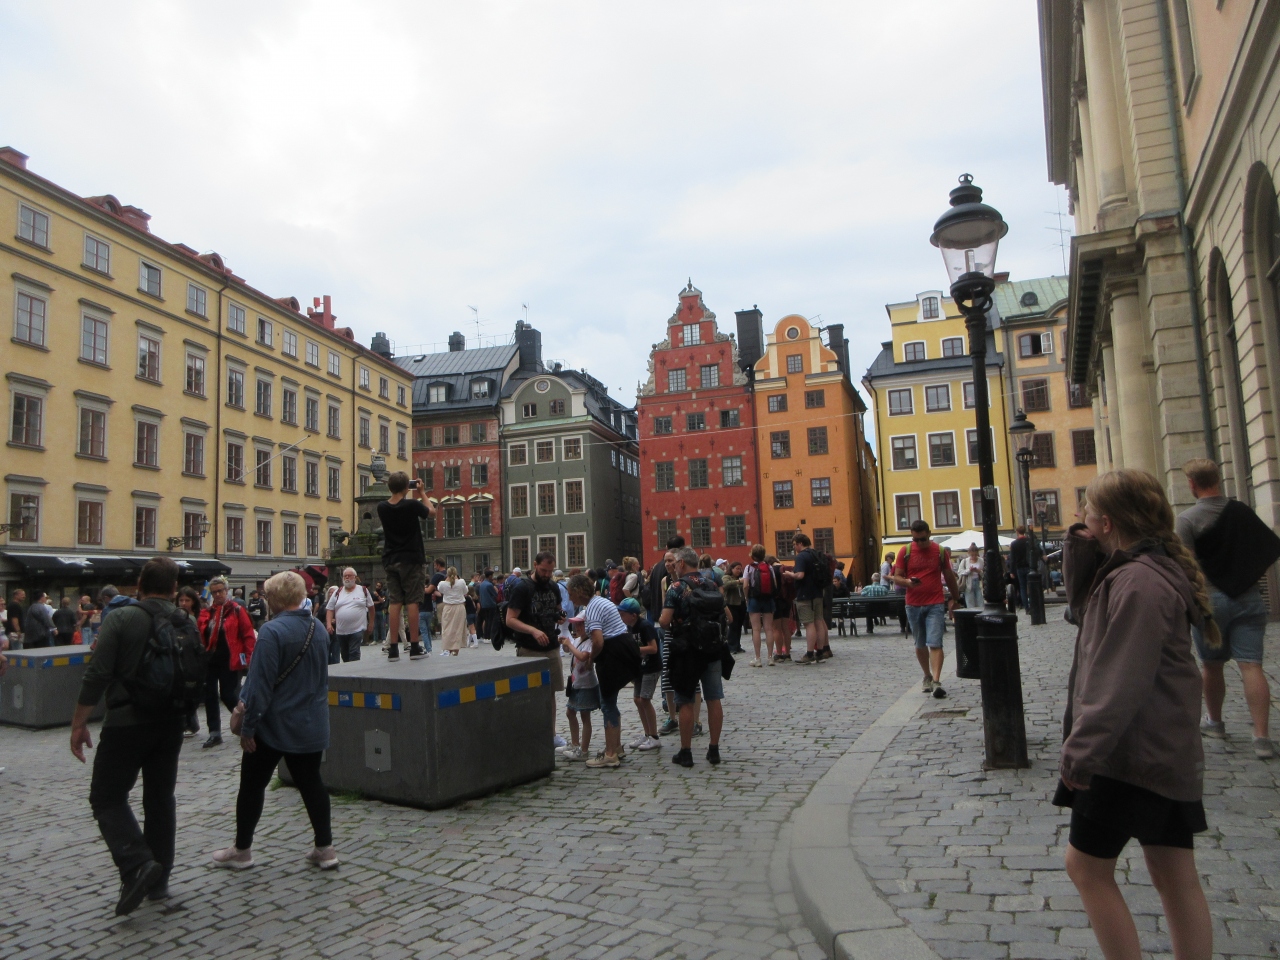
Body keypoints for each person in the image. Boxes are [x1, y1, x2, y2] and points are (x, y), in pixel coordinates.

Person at [1057, 469, 1214, 960]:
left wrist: (1082, 751)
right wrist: (1082, 543)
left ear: (1107, 522)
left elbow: (1120, 678)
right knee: (1173, 874)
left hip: (1129, 754)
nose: (1081, 515)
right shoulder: (1137, 571)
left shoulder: (1138, 582)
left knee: (1086, 868)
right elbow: (1080, 606)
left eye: (1087, 509)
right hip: (1158, 748)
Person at [70, 556, 192, 915]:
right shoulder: (184, 620)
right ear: (174, 588)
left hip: (126, 721)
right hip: (171, 721)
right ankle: (159, 881)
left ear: (139, 585)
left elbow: (97, 674)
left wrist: (78, 723)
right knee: (160, 798)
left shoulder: (122, 617)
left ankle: (137, 862)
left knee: (106, 797)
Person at [212, 570, 337, 871]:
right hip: (310, 722)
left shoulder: (271, 631)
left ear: (274, 598)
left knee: (252, 786)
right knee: (312, 784)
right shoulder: (318, 628)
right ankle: (325, 848)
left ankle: (242, 850)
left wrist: (248, 728)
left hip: (273, 725)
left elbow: (259, 684)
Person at [1176, 458, 1280, 759]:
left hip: (1211, 602)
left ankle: (1216, 723)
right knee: (1252, 665)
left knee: (1211, 665)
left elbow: (1188, 566)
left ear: (1192, 484)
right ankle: (1262, 737)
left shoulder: (1187, 520)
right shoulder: (1242, 511)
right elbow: (1267, 547)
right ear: (1218, 479)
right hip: (1248, 597)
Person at [659, 546, 727, 768]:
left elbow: (664, 621)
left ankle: (686, 752)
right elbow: (727, 616)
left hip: (686, 650)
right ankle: (714, 750)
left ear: (681, 563)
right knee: (714, 698)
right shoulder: (711, 584)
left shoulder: (677, 587)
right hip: (711, 648)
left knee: (686, 700)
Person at [566, 573, 640, 768]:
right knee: (611, 702)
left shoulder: (592, 609)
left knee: (607, 703)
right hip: (623, 648)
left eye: (571, 593)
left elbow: (598, 641)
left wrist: (591, 659)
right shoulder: (600, 601)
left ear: (579, 592)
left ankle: (610, 754)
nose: (570, 598)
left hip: (613, 653)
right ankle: (616, 747)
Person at [890, 520, 961, 699]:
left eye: (922, 539)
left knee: (935, 642)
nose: (919, 543)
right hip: (913, 604)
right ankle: (927, 676)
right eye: (916, 540)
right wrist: (907, 582)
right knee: (920, 643)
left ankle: (936, 681)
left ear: (929, 534)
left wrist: (955, 599)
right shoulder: (905, 551)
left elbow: (949, 576)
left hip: (935, 602)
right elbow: (897, 577)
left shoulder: (940, 551)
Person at [505, 552, 568, 746]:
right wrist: (532, 630)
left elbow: (558, 608)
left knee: (550, 693)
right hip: (529, 648)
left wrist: (560, 616)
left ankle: (551, 733)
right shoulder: (522, 588)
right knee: (530, 694)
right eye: (543, 570)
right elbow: (510, 619)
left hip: (551, 646)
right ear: (535, 565)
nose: (547, 574)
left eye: (550, 571)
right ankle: (530, 734)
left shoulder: (553, 586)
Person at [376, 470, 436, 661]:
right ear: (406, 487)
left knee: (395, 602)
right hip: (411, 558)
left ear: (389, 487)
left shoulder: (382, 507)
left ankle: (393, 649)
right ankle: (415, 647)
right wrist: (422, 493)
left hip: (391, 558)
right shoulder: (412, 505)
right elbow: (431, 512)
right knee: (412, 601)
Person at [197, 576, 257, 748]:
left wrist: (249, 657)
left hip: (231, 659)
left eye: (220, 591)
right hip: (210, 659)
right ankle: (214, 733)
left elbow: (248, 635)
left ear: (226, 591)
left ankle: (246, 722)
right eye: (214, 592)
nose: (217, 595)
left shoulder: (237, 610)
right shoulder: (208, 612)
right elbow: (202, 635)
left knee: (228, 694)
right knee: (210, 696)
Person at [619, 597, 662, 751]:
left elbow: (654, 648)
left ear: (633, 615)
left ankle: (654, 736)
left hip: (651, 667)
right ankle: (647, 733)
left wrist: (635, 650)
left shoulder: (645, 626)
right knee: (637, 700)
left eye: (623, 614)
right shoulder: (629, 627)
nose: (620, 617)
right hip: (639, 668)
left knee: (644, 699)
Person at [785, 533, 831, 665]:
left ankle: (810, 653)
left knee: (809, 624)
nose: (794, 548)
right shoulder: (816, 554)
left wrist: (790, 574)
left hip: (805, 594)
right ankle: (820, 652)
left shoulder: (801, 556)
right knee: (819, 622)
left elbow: (800, 575)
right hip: (818, 593)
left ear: (800, 543)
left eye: (795, 545)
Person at [558, 615, 597, 762]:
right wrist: (565, 644)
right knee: (570, 712)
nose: (578, 628)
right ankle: (575, 744)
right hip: (576, 683)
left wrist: (570, 645)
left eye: (581, 625)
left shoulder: (590, 642)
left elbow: (582, 656)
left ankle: (584, 750)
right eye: (576, 625)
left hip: (586, 684)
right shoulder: (578, 639)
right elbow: (570, 651)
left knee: (585, 716)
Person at [324, 567, 374, 664]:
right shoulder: (338, 592)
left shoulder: (363, 590)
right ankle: (349, 669)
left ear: (355, 577)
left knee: (354, 652)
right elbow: (330, 609)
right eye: (345, 576)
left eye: (349, 576)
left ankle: (354, 670)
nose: (347, 578)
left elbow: (371, 608)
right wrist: (329, 624)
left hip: (357, 629)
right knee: (345, 654)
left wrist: (371, 623)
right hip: (341, 631)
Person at [177, 587, 205, 737]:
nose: (184, 603)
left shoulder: (198, 617)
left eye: (187, 600)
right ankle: (189, 722)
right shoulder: (176, 616)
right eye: (181, 600)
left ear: (193, 601)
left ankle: (191, 722)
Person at [744, 544, 776, 667]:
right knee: (769, 629)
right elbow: (775, 584)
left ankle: (757, 658)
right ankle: (770, 657)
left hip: (754, 599)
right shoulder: (769, 567)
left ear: (752, 555)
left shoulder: (749, 567)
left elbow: (745, 585)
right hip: (768, 599)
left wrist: (747, 598)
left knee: (756, 629)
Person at [437, 567, 469, 656]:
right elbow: (465, 591)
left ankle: (447, 648)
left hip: (448, 607)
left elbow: (440, 590)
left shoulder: (442, 584)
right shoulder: (461, 582)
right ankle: (456, 648)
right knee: (458, 628)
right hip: (459, 607)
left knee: (447, 628)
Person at [722, 562, 746, 655]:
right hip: (731, 604)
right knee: (733, 626)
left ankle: (737, 645)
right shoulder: (727, 577)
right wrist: (738, 582)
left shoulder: (741, 577)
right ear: (731, 569)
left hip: (741, 604)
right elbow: (725, 585)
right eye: (737, 568)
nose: (739, 571)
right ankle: (731, 646)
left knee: (739, 625)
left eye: (740, 569)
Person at [1009, 526, 1033, 614]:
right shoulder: (1029, 541)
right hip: (1029, 567)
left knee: (1022, 588)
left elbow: (1012, 559)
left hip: (1019, 568)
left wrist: (1012, 571)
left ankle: (1026, 607)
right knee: (1031, 586)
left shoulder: (1014, 544)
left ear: (1017, 532)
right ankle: (1033, 605)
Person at [956, 544, 983, 610]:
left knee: (981, 603)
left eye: (975, 555)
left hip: (979, 583)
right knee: (970, 604)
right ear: (969, 554)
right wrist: (969, 570)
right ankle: (972, 615)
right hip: (968, 584)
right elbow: (959, 572)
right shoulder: (965, 561)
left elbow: (985, 573)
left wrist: (978, 571)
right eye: (972, 555)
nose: (974, 557)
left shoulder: (981, 560)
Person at [476, 570, 500, 641]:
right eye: (492, 576)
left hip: (483, 604)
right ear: (489, 576)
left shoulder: (482, 584)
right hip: (490, 604)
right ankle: (488, 636)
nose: (492, 577)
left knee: (486, 620)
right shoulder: (489, 585)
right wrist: (496, 590)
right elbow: (495, 594)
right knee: (490, 621)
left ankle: (484, 635)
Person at [372, 581, 388, 647]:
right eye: (377, 585)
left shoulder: (383, 593)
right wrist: (379, 601)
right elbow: (371, 602)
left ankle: (383, 638)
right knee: (375, 626)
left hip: (381, 610)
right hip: (374, 610)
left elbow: (383, 600)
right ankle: (375, 639)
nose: (377, 587)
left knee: (382, 625)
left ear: (381, 587)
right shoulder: (372, 593)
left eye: (379, 586)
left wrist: (378, 596)